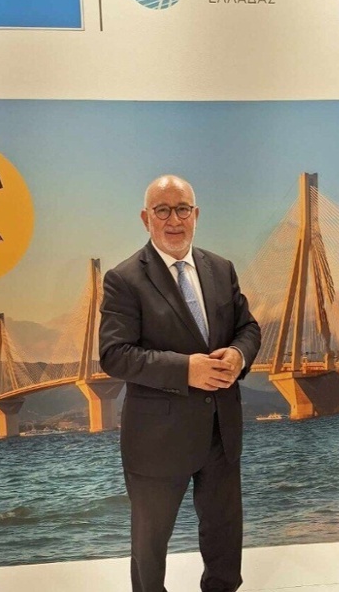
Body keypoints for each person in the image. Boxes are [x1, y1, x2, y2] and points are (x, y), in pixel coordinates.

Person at [99, 174, 261, 592]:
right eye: (163, 210)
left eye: (182, 209)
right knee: (150, 552)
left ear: (196, 214)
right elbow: (114, 354)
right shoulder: (123, 279)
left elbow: (248, 328)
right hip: (156, 440)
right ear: (145, 218)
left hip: (221, 433)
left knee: (225, 545)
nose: (174, 220)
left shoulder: (221, 269)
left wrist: (239, 354)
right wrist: (186, 369)